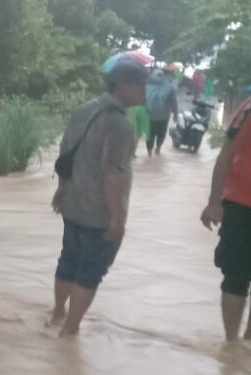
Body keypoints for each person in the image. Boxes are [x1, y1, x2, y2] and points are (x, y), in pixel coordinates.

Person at [50, 60, 148, 337]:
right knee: (90, 272)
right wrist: (116, 218)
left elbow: (65, 154)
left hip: (73, 204)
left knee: (67, 260)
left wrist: (61, 189)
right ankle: (70, 330)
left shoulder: (83, 110)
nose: (144, 91)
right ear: (123, 84)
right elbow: (112, 173)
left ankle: (57, 313)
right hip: (99, 214)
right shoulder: (118, 124)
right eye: (140, 85)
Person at [200, 95, 251, 342]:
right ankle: (232, 345)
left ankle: (241, 348)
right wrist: (213, 201)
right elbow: (227, 152)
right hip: (242, 203)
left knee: (236, 276)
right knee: (236, 275)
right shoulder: (249, 108)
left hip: (241, 202)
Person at [145, 69, 179, 157]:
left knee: (156, 134)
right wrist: (175, 113)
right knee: (154, 134)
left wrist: (175, 113)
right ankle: (153, 150)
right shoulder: (147, 86)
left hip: (157, 115)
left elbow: (173, 101)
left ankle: (154, 150)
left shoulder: (148, 86)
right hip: (155, 115)